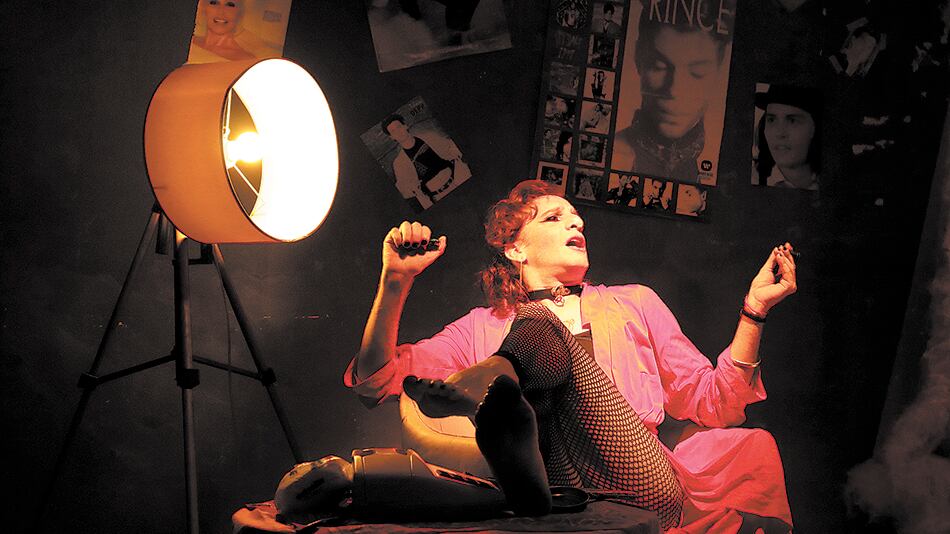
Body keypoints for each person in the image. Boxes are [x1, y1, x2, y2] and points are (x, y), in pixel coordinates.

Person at [346, 180, 796, 532]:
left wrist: (754, 311)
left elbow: (717, 403)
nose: (576, 225)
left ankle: (496, 380)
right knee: (536, 320)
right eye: (555, 218)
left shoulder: (635, 303)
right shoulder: (479, 327)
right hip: (557, 488)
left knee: (541, 321)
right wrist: (395, 281)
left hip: (642, 485)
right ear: (515, 248)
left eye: (578, 219)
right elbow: (376, 380)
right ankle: (520, 449)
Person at [613, 8, 730, 183]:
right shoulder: (610, 151)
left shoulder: (726, 164)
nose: (674, 90)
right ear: (638, 57)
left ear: (719, 69)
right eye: (658, 66)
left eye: (697, 72)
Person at [383, 114, 471, 211]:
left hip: (460, 179)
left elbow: (451, 146)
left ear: (405, 126)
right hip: (438, 197)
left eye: (399, 127)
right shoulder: (399, 163)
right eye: (393, 131)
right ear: (392, 137)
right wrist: (413, 188)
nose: (398, 132)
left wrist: (456, 154)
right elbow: (403, 190)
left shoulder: (429, 137)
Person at [752, 86, 821, 191]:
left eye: (792, 121)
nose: (780, 133)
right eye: (771, 120)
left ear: (814, 128)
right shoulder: (750, 181)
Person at [189, 0, 260, 63]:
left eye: (230, 5)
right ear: (204, 8)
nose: (221, 12)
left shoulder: (246, 60)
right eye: (214, 3)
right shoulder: (188, 41)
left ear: (239, 13)